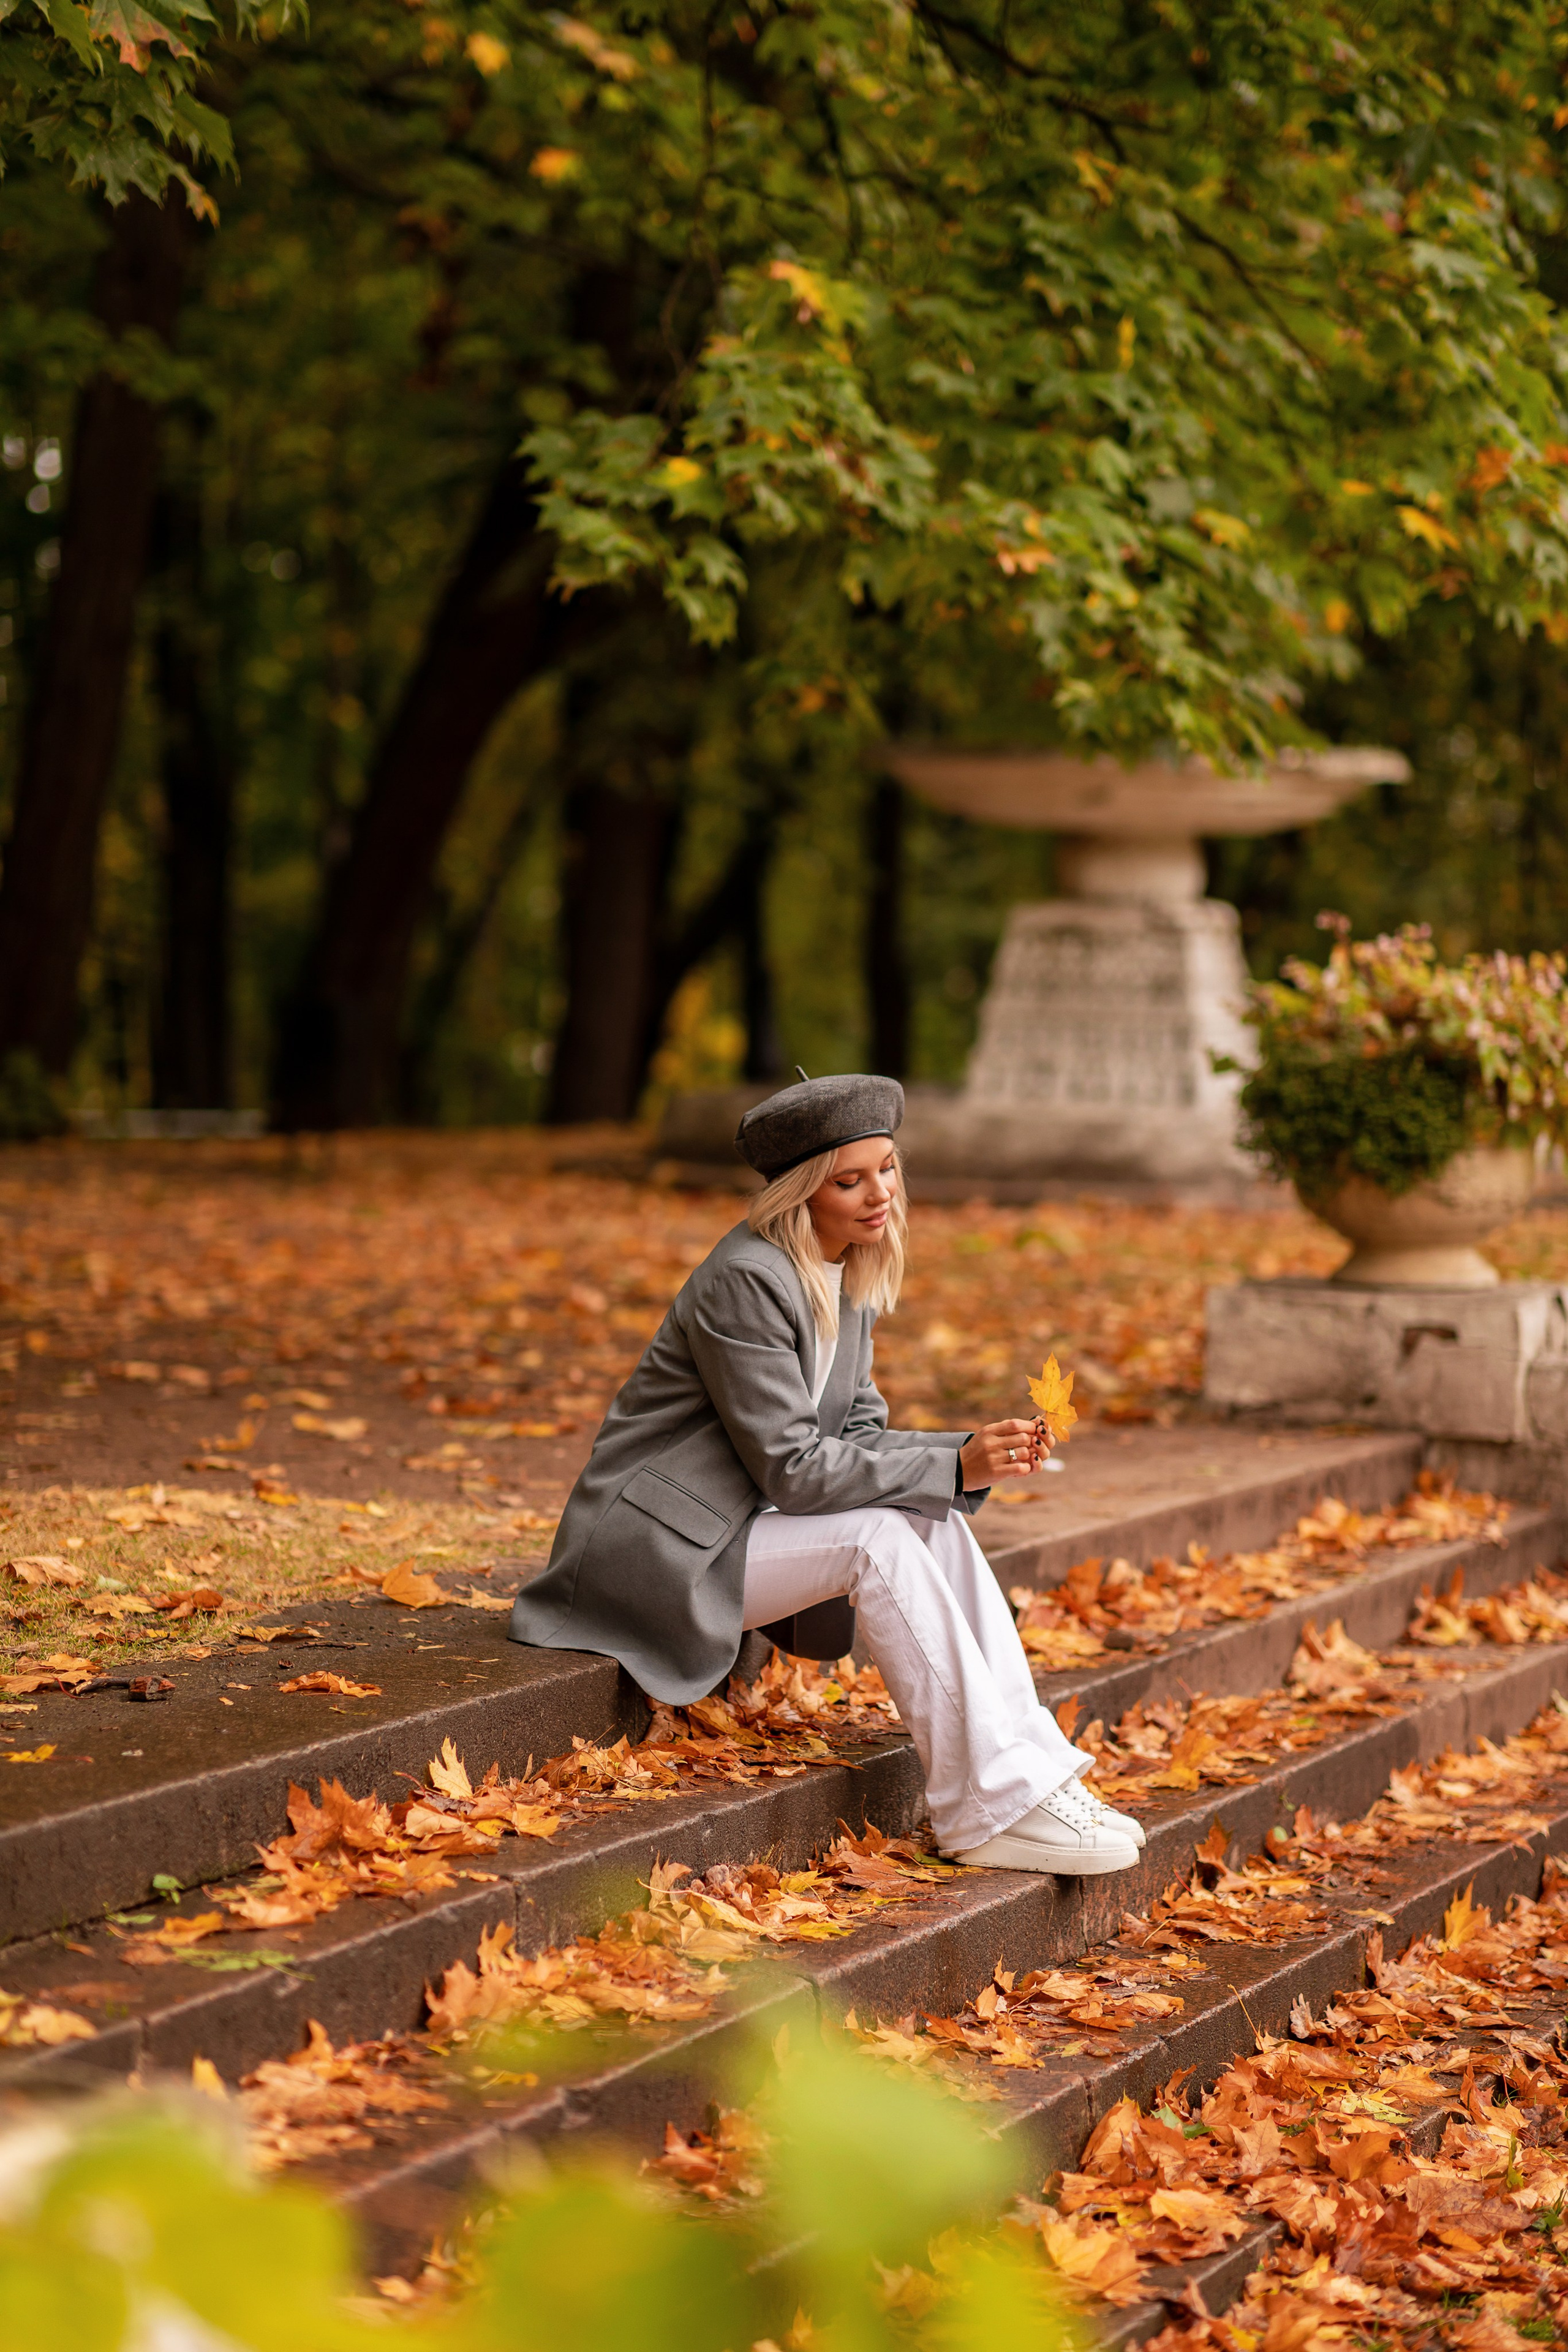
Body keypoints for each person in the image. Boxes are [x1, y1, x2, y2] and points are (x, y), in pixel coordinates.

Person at [510, 1072, 1143, 1875]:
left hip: (737, 1526)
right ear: (802, 1191)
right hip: (658, 1551)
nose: (880, 1194)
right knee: (880, 1536)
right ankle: (986, 1811)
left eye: (888, 1168)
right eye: (850, 1180)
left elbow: (861, 1436)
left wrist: (971, 1451)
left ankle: (1032, 1775)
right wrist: (952, 1463)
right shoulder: (747, 1279)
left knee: (932, 1516)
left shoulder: (842, 1271)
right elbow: (794, 1469)